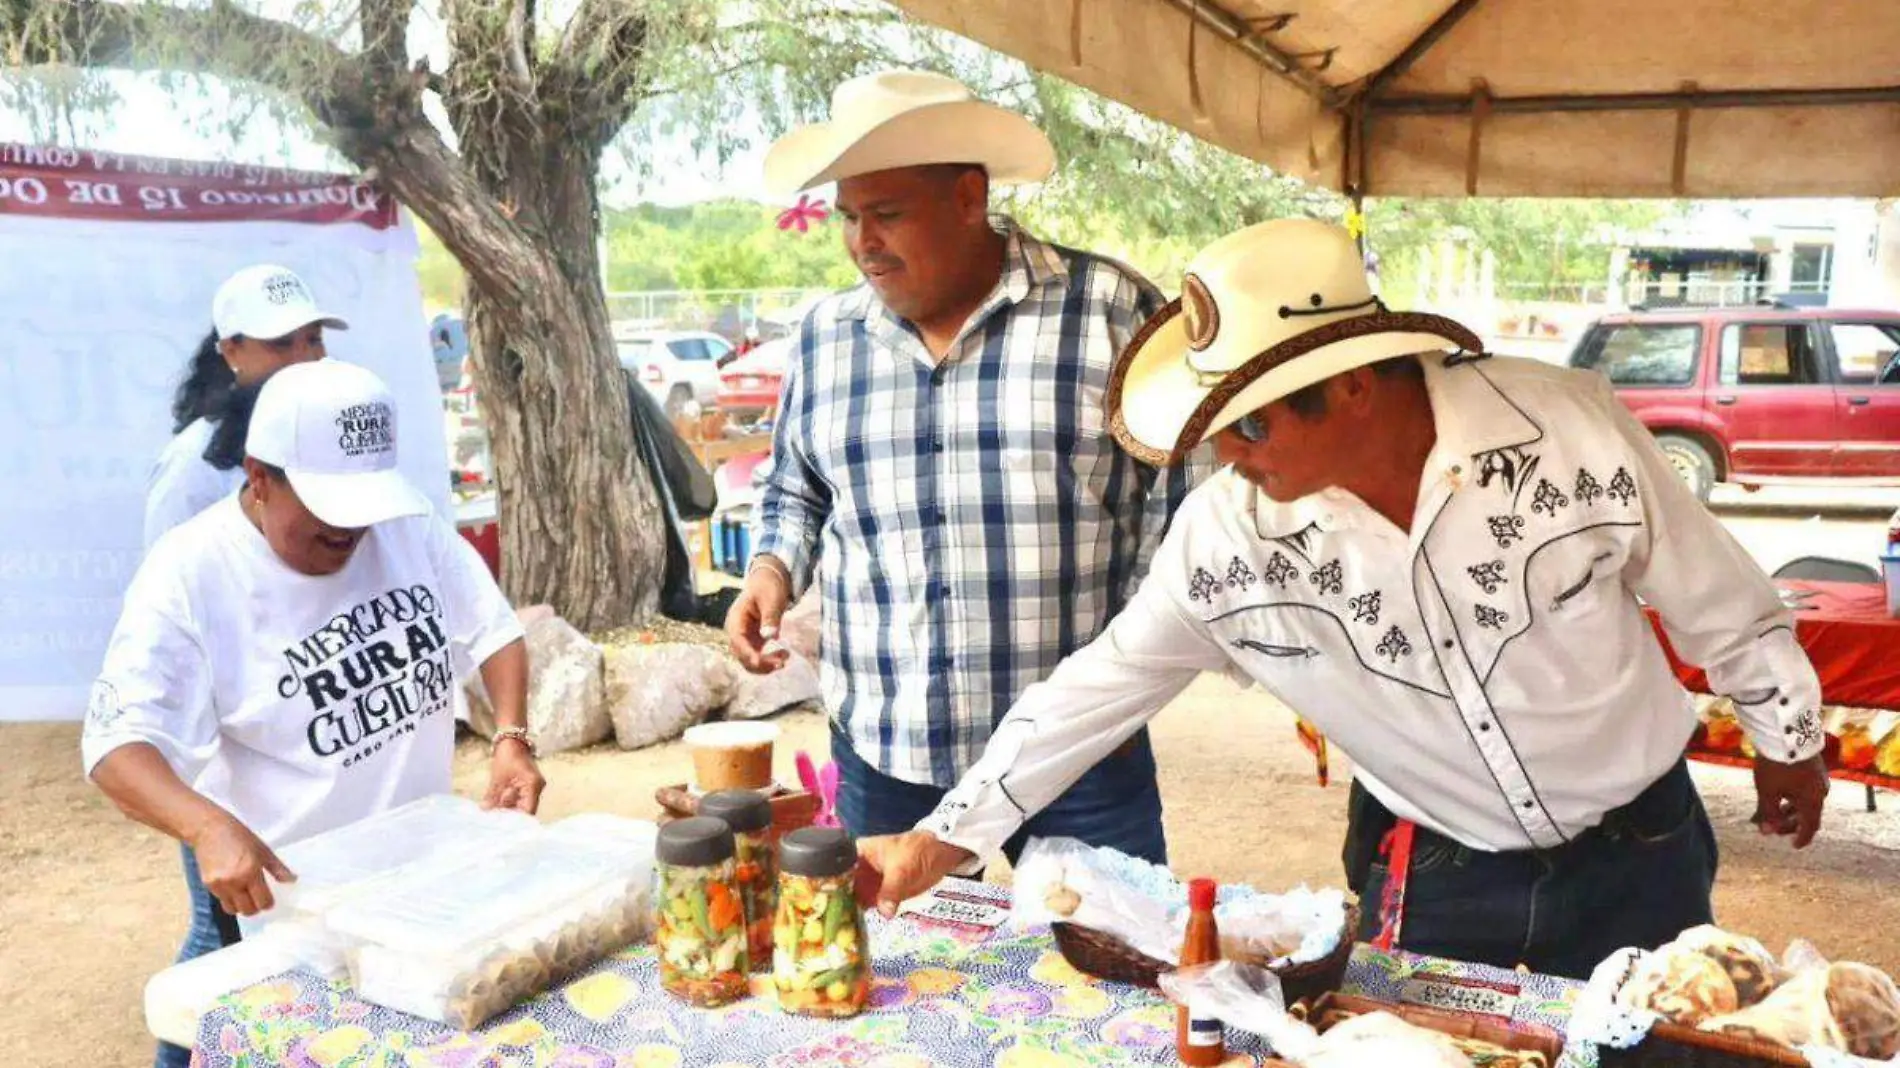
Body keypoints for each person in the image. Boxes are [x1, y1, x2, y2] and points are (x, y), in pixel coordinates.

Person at [857, 218, 1832, 980]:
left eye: (1246, 424)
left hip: (1641, 846)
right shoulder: (1227, 538)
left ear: (1353, 384)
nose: (1224, 457)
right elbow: (1095, 690)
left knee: (1660, 1051)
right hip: (1433, 867)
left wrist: (1786, 741)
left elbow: (1717, 596)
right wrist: (939, 840)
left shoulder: (1568, 431)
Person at [724, 69, 1207, 868]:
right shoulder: (825, 337)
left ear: (969, 199)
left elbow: (1186, 502)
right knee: (894, 980)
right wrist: (772, 570)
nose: (862, 243)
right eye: (848, 218)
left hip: (1076, 758)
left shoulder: (1111, 312)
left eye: (886, 214)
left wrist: (1122, 659)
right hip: (888, 748)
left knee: (1102, 971)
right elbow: (793, 484)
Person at [85, 361, 544, 1068]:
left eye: (363, 506)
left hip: (434, 890)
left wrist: (511, 736)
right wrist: (205, 826)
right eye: (327, 507)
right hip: (307, 927)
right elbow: (117, 747)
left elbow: (493, 628)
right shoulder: (190, 573)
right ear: (259, 477)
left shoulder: (404, 524)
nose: (350, 530)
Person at [146, 265, 343, 551]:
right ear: (231, 352)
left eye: (314, 339)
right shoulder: (193, 464)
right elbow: (167, 582)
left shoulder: (337, 434)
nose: (305, 357)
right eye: (281, 343)